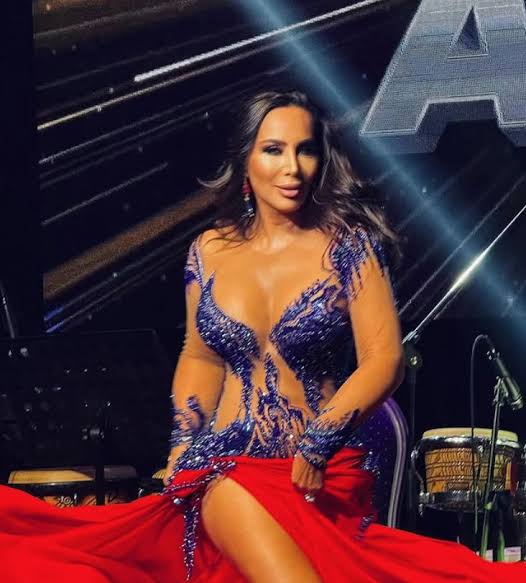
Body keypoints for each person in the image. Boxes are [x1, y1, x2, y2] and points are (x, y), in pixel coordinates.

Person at [0, 89, 523, 583]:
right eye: (274, 150)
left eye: (306, 150)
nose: (292, 167)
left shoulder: (350, 246)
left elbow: (384, 360)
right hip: (221, 467)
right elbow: (201, 358)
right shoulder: (209, 250)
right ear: (246, 160)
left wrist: (317, 445)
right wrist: (182, 445)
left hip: (312, 472)